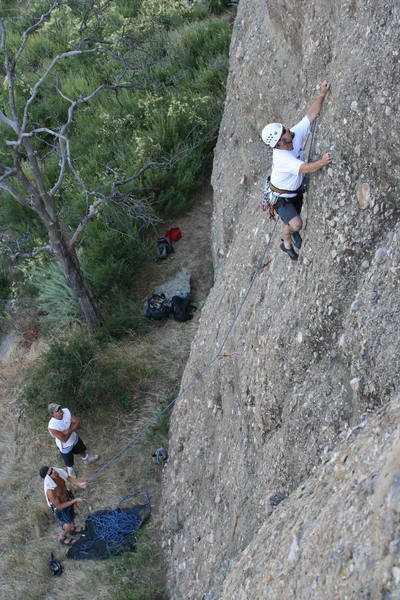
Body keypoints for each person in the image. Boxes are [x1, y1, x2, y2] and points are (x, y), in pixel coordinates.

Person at [261, 80, 332, 261]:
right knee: (297, 223)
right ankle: (286, 241)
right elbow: (305, 168)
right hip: (281, 198)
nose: (288, 131)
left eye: (284, 129)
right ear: (278, 143)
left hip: (294, 191)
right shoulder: (282, 158)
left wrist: (322, 94)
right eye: (284, 132)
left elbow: (311, 115)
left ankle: (288, 237)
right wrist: (323, 162)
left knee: (292, 222)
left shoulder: (292, 135)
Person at [39, 465, 87, 545]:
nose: (53, 472)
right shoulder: (50, 491)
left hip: (67, 499)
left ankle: (73, 529)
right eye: (50, 473)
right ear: (48, 477)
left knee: (71, 517)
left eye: (52, 469)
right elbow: (59, 506)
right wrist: (75, 500)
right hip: (61, 508)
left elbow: (68, 478)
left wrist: (79, 484)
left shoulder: (57, 473)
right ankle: (62, 537)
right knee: (68, 524)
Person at [48, 403, 98, 478]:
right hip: (65, 447)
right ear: (52, 415)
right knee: (69, 461)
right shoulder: (52, 426)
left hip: (74, 438)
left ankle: (86, 459)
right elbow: (64, 439)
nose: (60, 411)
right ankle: (70, 470)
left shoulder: (66, 411)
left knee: (81, 449)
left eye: (60, 408)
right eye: (57, 411)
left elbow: (77, 422)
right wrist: (72, 427)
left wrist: (67, 431)